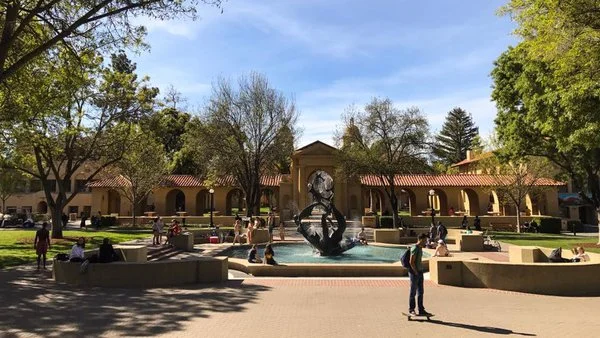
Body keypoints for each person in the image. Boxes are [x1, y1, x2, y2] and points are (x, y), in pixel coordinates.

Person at [408, 233, 431, 317]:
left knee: (421, 292)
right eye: (424, 240)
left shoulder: (420, 248)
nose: (426, 242)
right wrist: (416, 272)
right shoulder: (415, 248)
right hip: (415, 273)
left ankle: (421, 309)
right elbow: (411, 262)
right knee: (413, 292)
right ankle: (411, 309)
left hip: (420, 272)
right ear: (420, 239)